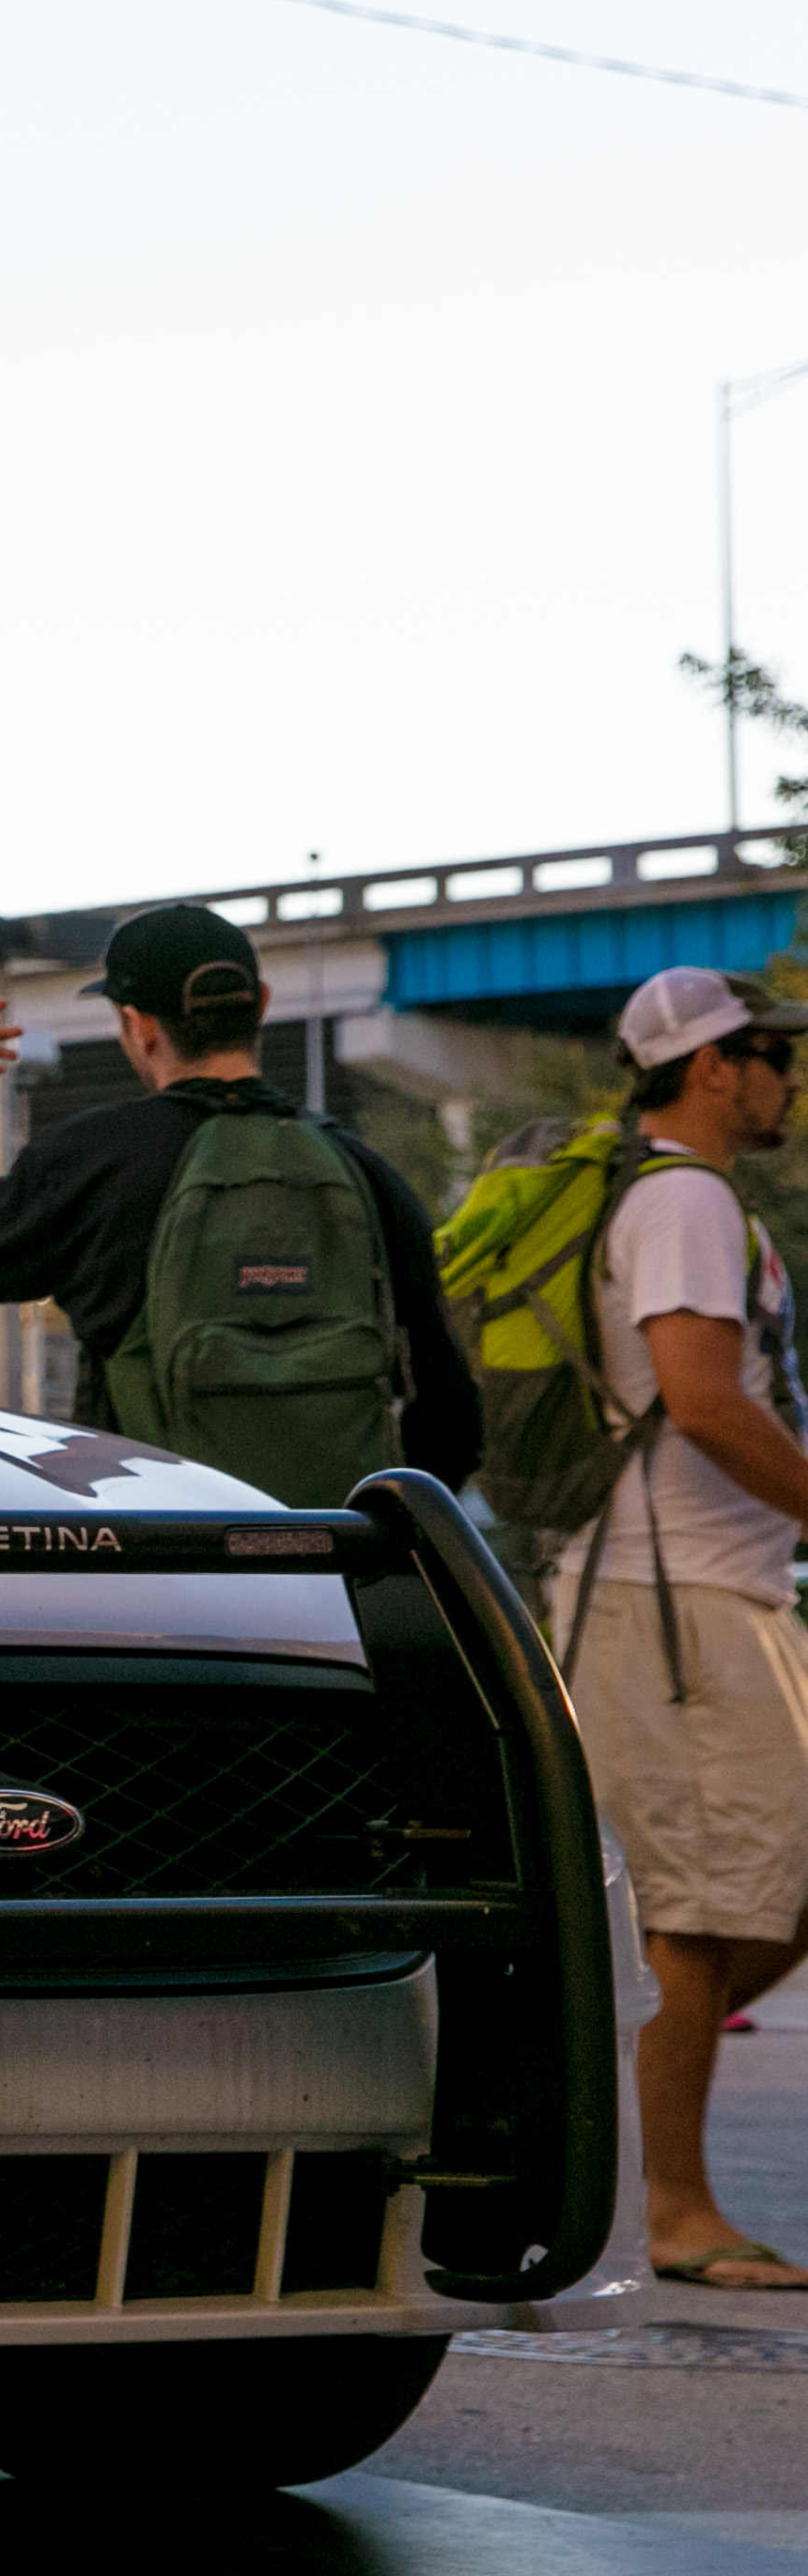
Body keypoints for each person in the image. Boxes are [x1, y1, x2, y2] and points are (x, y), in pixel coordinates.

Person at [500, 968, 808, 2289]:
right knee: (686, 1910)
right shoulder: (681, 1195)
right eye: (770, 1054)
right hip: (666, 1599)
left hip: (710, 1593)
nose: (788, 1076)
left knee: (742, 1886)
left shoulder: (687, 1194)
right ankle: (671, 2205)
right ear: (705, 1066)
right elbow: (698, 1397)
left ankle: (599, 2117)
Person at [0, 902, 476, 1491]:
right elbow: (453, 1418)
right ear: (261, 1004)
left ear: (138, 1025)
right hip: (335, 1565)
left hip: (169, 1562)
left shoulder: (99, 1158)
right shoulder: (362, 1171)